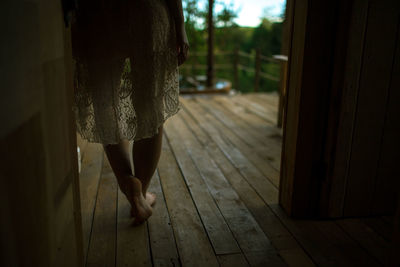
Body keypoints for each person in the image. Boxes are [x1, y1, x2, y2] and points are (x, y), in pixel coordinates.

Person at [71, 0, 189, 224]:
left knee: (107, 108)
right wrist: (180, 25)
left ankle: (128, 183)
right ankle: (141, 193)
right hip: (147, 12)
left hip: (97, 15)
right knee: (150, 110)